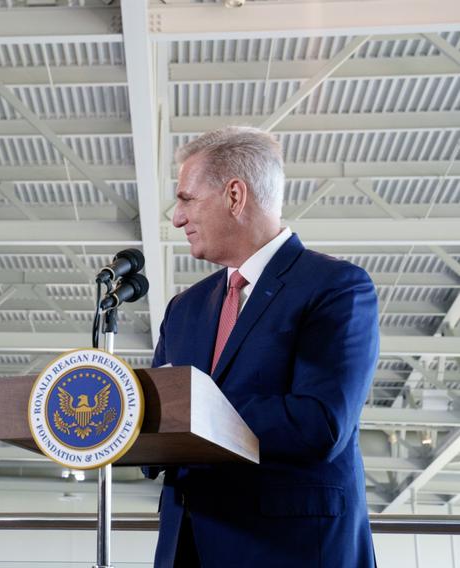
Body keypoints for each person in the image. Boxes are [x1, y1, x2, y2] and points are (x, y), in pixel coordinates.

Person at [148, 126, 378, 567]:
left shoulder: (336, 287)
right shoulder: (184, 308)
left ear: (235, 196)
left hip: (289, 548)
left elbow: (322, 423)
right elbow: (163, 418)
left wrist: (196, 413)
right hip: (188, 547)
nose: (177, 218)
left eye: (186, 199)